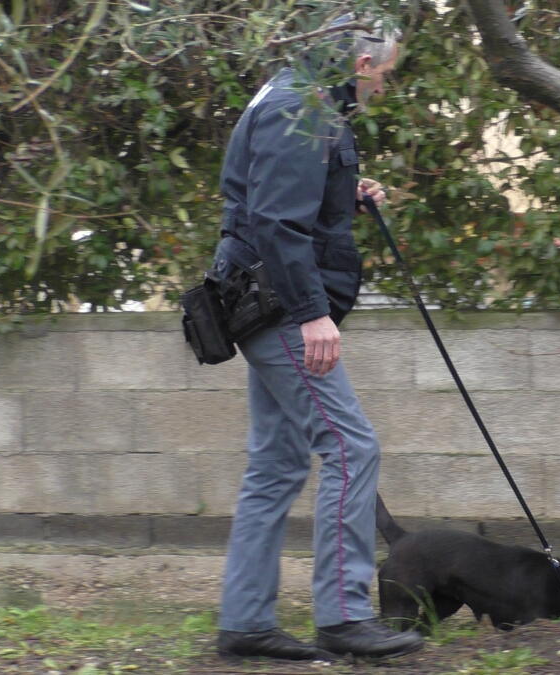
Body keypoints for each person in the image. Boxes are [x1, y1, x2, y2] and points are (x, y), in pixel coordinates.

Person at [211, 17, 423, 662]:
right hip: (279, 305)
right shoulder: (299, 107)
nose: (385, 86)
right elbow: (275, 221)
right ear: (363, 64)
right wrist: (311, 314)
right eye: (386, 73)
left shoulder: (300, 97)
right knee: (351, 447)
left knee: (276, 462)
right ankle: (344, 616)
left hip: (262, 297)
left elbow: (276, 195)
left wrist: (341, 192)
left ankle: (246, 624)